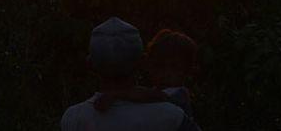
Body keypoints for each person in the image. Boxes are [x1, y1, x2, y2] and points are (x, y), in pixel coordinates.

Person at [61, 17, 198, 131]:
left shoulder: (72, 119)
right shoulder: (172, 117)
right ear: (142, 62)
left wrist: (113, 95)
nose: (167, 74)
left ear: (90, 65)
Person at [93, 29, 199, 122]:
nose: (166, 73)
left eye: (174, 67)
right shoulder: (156, 92)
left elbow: (151, 95)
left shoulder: (179, 95)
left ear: (187, 72)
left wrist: (115, 95)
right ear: (149, 66)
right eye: (160, 66)